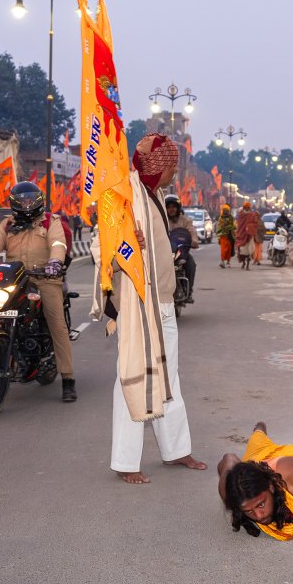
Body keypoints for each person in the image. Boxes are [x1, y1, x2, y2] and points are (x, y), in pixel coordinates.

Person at [110, 133, 206, 484]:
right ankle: (125, 462)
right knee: (132, 378)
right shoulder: (125, 195)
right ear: (156, 168)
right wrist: (123, 244)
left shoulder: (155, 195)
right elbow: (101, 244)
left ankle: (176, 450)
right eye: (171, 168)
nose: (175, 175)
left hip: (163, 300)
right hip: (138, 304)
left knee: (171, 376)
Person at [0, 181, 76, 402]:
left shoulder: (50, 221)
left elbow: (58, 244)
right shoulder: (7, 225)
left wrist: (54, 263)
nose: (26, 204)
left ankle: (68, 379)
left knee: (56, 324)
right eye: (21, 200)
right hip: (15, 279)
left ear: (38, 201)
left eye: (29, 200)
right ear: (14, 203)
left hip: (45, 278)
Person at [165, 194, 199, 302]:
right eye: (168, 207)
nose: (171, 209)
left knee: (191, 264)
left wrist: (194, 241)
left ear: (178, 207)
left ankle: (188, 292)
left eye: (173, 207)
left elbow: (191, 231)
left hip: (182, 253)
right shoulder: (163, 220)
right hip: (166, 253)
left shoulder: (186, 220)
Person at [235, 201, 260, 270]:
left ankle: (246, 265)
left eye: (248, 207)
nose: (247, 208)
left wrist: (250, 227)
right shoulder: (241, 215)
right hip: (242, 235)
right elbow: (239, 225)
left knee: (247, 251)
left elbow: (255, 224)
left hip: (248, 236)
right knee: (244, 251)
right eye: (246, 207)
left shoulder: (251, 215)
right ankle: (244, 264)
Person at [216, 203, 235, 268]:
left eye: (226, 210)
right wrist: (218, 236)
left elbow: (234, 226)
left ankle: (228, 262)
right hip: (222, 236)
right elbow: (219, 227)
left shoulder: (231, 218)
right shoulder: (221, 218)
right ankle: (222, 261)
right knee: (223, 250)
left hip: (229, 236)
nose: (225, 212)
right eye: (224, 210)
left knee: (229, 250)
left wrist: (228, 227)